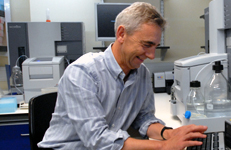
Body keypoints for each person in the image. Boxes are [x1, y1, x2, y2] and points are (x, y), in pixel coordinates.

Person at [38, 2, 207, 150]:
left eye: (155, 46)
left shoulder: (141, 74)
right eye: (147, 45)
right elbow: (97, 140)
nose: (152, 55)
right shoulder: (83, 73)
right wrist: (163, 145)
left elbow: (143, 118)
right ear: (121, 34)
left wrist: (169, 133)